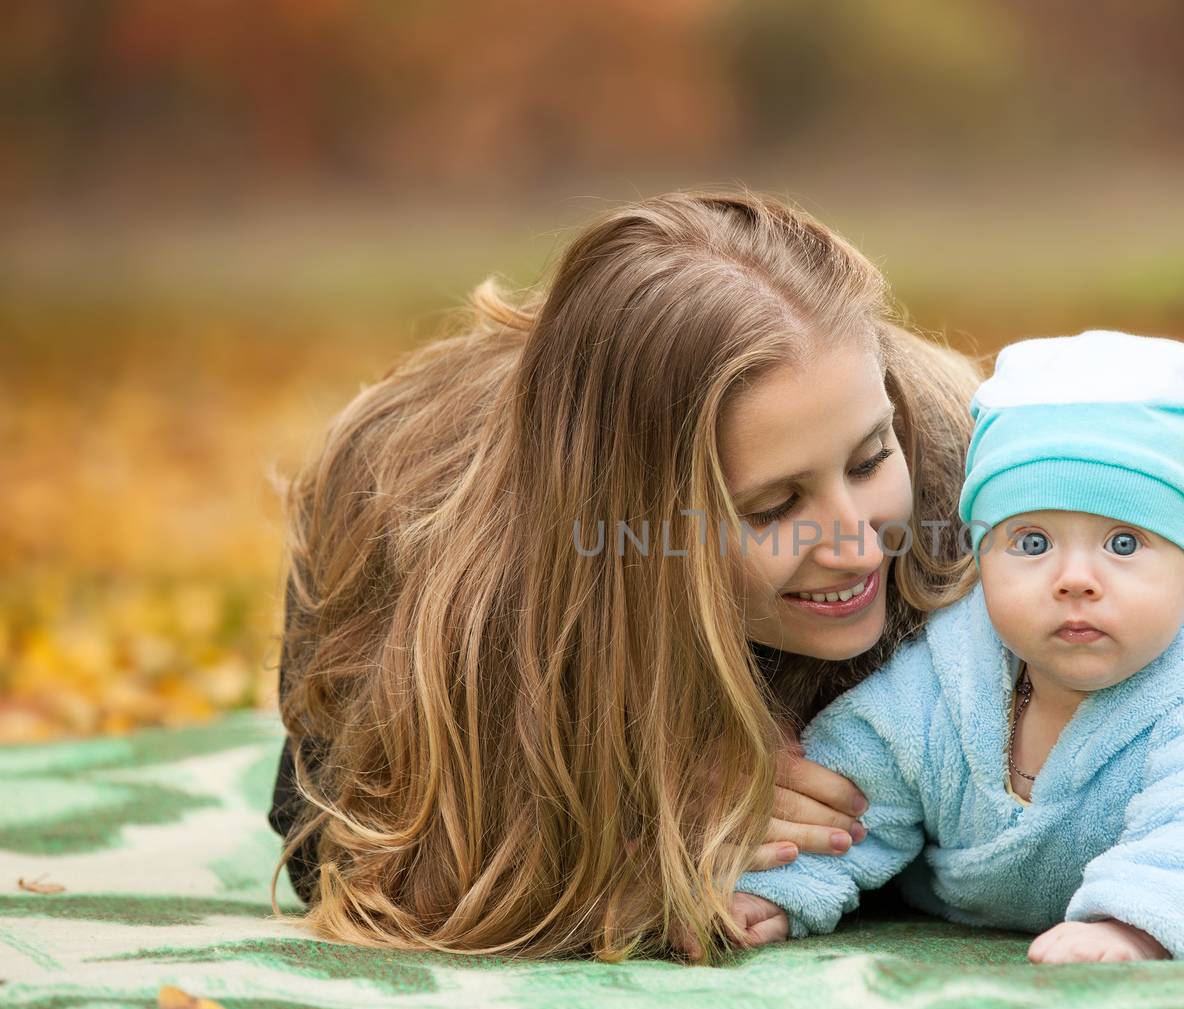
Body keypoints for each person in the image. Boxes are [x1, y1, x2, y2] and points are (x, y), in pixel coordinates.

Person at [266, 189, 983, 960]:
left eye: (871, 458)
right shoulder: (459, 600)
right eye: (774, 506)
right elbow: (333, 843)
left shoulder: (977, 473)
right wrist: (650, 815)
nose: (857, 547)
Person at [730, 330, 1184, 962]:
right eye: (1033, 542)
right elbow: (854, 795)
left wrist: (1135, 921)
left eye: (1125, 542)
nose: (1076, 579)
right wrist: (780, 889)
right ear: (984, 555)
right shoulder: (947, 680)